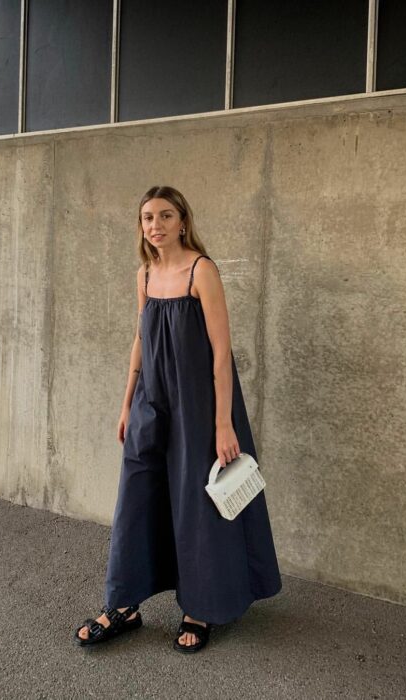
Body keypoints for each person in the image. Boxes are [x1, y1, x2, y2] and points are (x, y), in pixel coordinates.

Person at [74, 185, 282, 653]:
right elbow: (140, 341)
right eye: (148, 217)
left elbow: (222, 352)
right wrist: (128, 403)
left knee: (196, 505)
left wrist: (223, 423)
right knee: (137, 497)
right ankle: (123, 604)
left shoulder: (200, 271)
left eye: (165, 216)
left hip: (198, 405)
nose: (156, 225)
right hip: (151, 400)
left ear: (183, 221)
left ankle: (199, 606)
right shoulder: (145, 274)